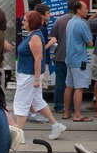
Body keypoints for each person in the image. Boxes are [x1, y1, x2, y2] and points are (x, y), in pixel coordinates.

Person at [13, 11, 66, 140]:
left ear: (31, 22)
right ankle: (55, 125)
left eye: (25, 20)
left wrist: (36, 79)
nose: (22, 22)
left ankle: (19, 134)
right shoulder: (33, 35)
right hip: (29, 74)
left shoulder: (35, 37)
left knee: (21, 102)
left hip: (29, 75)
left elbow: (38, 58)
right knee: (37, 100)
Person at [63, 1, 93, 122]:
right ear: (78, 10)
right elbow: (89, 42)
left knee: (69, 87)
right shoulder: (82, 24)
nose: (87, 11)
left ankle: (66, 113)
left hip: (69, 58)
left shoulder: (70, 22)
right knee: (79, 88)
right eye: (85, 8)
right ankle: (77, 114)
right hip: (79, 60)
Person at [50, 0, 77, 113]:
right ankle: (70, 105)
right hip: (75, 57)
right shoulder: (79, 21)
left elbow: (53, 37)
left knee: (60, 80)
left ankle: (59, 105)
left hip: (60, 55)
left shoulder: (59, 20)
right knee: (73, 83)